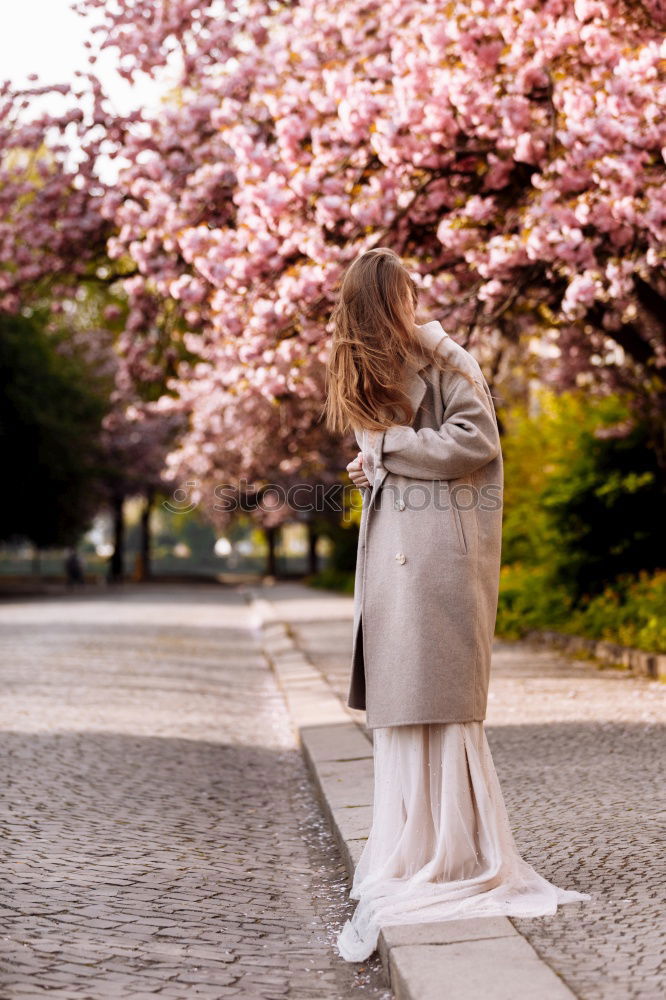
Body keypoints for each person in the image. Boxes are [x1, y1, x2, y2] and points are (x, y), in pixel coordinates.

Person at [324, 247, 591, 962]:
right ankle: (417, 847)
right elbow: (399, 449)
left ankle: (457, 851)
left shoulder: (447, 359)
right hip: (399, 552)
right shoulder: (375, 367)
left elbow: (474, 441)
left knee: (436, 700)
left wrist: (387, 446)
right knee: (408, 705)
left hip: (439, 557)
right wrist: (371, 462)